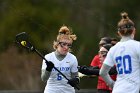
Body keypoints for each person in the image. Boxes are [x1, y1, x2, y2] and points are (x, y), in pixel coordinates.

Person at [100, 12, 140, 93]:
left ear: (119, 33)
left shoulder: (113, 49)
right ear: (134, 31)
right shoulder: (137, 46)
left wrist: (112, 84)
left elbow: (103, 72)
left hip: (117, 90)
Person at [41, 25, 80, 93]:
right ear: (57, 43)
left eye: (68, 45)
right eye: (63, 44)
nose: (66, 47)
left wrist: (76, 80)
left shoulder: (72, 58)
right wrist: (48, 69)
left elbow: (76, 77)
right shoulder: (48, 57)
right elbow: (44, 79)